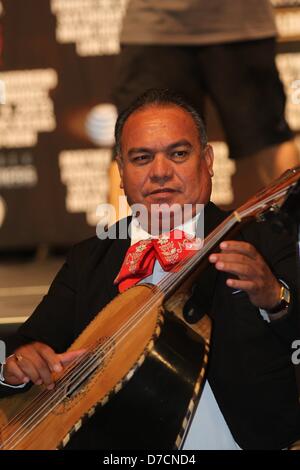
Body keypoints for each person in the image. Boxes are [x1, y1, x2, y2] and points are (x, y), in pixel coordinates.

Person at [1, 89, 300, 450]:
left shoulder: (259, 240)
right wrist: (16, 367)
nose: (160, 172)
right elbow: (22, 347)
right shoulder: (90, 258)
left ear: (207, 160)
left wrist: (275, 299)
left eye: (178, 154)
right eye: (142, 158)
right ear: (122, 173)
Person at [111, 0, 300, 208]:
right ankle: (122, 241)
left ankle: (294, 234)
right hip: (154, 25)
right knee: (134, 141)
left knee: (270, 141)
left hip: (241, 23)